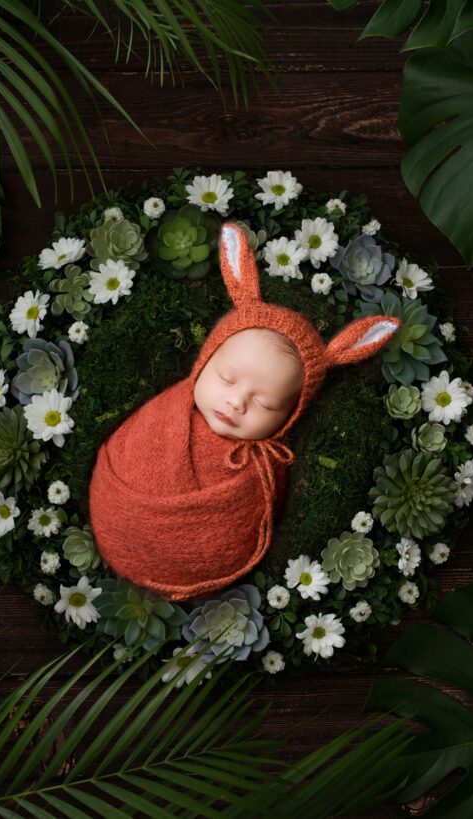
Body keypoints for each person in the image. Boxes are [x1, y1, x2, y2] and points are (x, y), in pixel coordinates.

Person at [87, 222, 400, 601]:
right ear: (204, 362)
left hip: (200, 574)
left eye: (264, 404)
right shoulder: (159, 416)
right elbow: (123, 456)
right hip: (114, 520)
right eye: (226, 377)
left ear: (289, 416)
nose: (236, 402)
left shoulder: (264, 469)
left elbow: (250, 520)